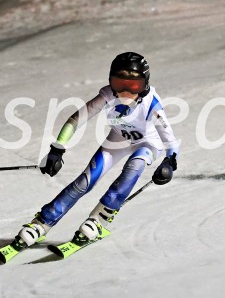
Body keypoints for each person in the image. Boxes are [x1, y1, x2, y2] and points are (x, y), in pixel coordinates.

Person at [15, 52, 179, 248]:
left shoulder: (152, 104)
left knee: (133, 167)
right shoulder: (108, 95)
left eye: (134, 85)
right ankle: (42, 222)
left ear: (145, 85)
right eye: (119, 84)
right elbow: (76, 119)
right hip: (118, 139)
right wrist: (57, 149)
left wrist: (169, 161)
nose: (126, 91)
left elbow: (170, 142)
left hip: (148, 144)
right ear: (111, 82)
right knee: (85, 181)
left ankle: (99, 219)